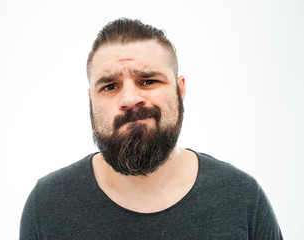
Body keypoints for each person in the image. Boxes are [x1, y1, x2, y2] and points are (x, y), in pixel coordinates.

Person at [20, 18, 282, 239]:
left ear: (180, 90)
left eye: (148, 80)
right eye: (110, 86)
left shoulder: (242, 198)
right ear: (91, 102)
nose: (130, 99)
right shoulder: (47, 204)